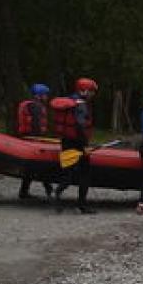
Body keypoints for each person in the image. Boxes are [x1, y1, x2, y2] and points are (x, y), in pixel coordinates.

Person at [50, 77, 99, 214]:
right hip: (78, 143)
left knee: (67, 173)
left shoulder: (70, 101)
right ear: (84, 91)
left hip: (66, 142)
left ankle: (57, 195)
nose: (93, 94)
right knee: (85, 173)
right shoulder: (81, 105)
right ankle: (81, 205)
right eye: (91, 91)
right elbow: (80, 126)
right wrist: (84, 145)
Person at [14, 83, 54, 199]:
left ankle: (25, 191)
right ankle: (48, 188)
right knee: (40, 165)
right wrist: (39, 139)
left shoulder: (30, 105)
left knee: (31, 168)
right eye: (45, 95)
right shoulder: (36, 106)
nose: (47, 97)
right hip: (33, 139)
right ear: (38, 96)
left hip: (27, 137)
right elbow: (36, 124)